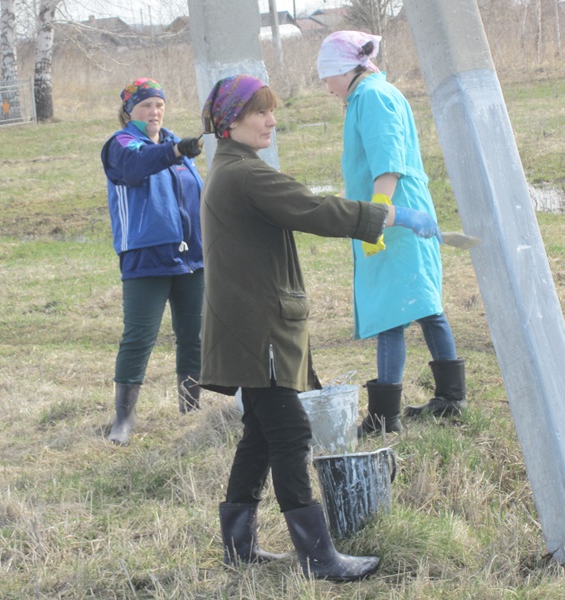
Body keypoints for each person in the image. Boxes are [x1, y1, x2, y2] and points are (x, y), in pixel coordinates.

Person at [199, 74, 441, 582]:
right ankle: (318, 557)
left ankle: (238, 547)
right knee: (289, 434)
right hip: (257, 329)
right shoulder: (245, 174)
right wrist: (390, 214)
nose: (271, 120)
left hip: (251, 325)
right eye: (259, 112)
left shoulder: (232, 167)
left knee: (261, 436)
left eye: (271, 109)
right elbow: (317, 209)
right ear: (230, 122)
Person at [316, 31, 468, 437]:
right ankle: (451, 399)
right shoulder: (372, 93)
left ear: (345, 70)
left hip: (395, 215)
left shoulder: (371, 97)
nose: (327, 86)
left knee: (393, 312)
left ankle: (386, 418)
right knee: (422, 302)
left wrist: (382, 213)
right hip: (398, 211)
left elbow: (388, 161)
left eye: (326, 76)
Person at [100, 78, 205, 446]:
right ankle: (123, 419)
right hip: (146, 256)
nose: (154, 112)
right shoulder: (122, 145)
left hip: (191, 256)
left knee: (194, 334)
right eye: (145, 105)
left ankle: (190, 409)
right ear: (130, 111)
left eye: (159, 104)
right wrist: (175, 152)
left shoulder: (175, 144)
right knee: (139, 337)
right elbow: (135, 168)